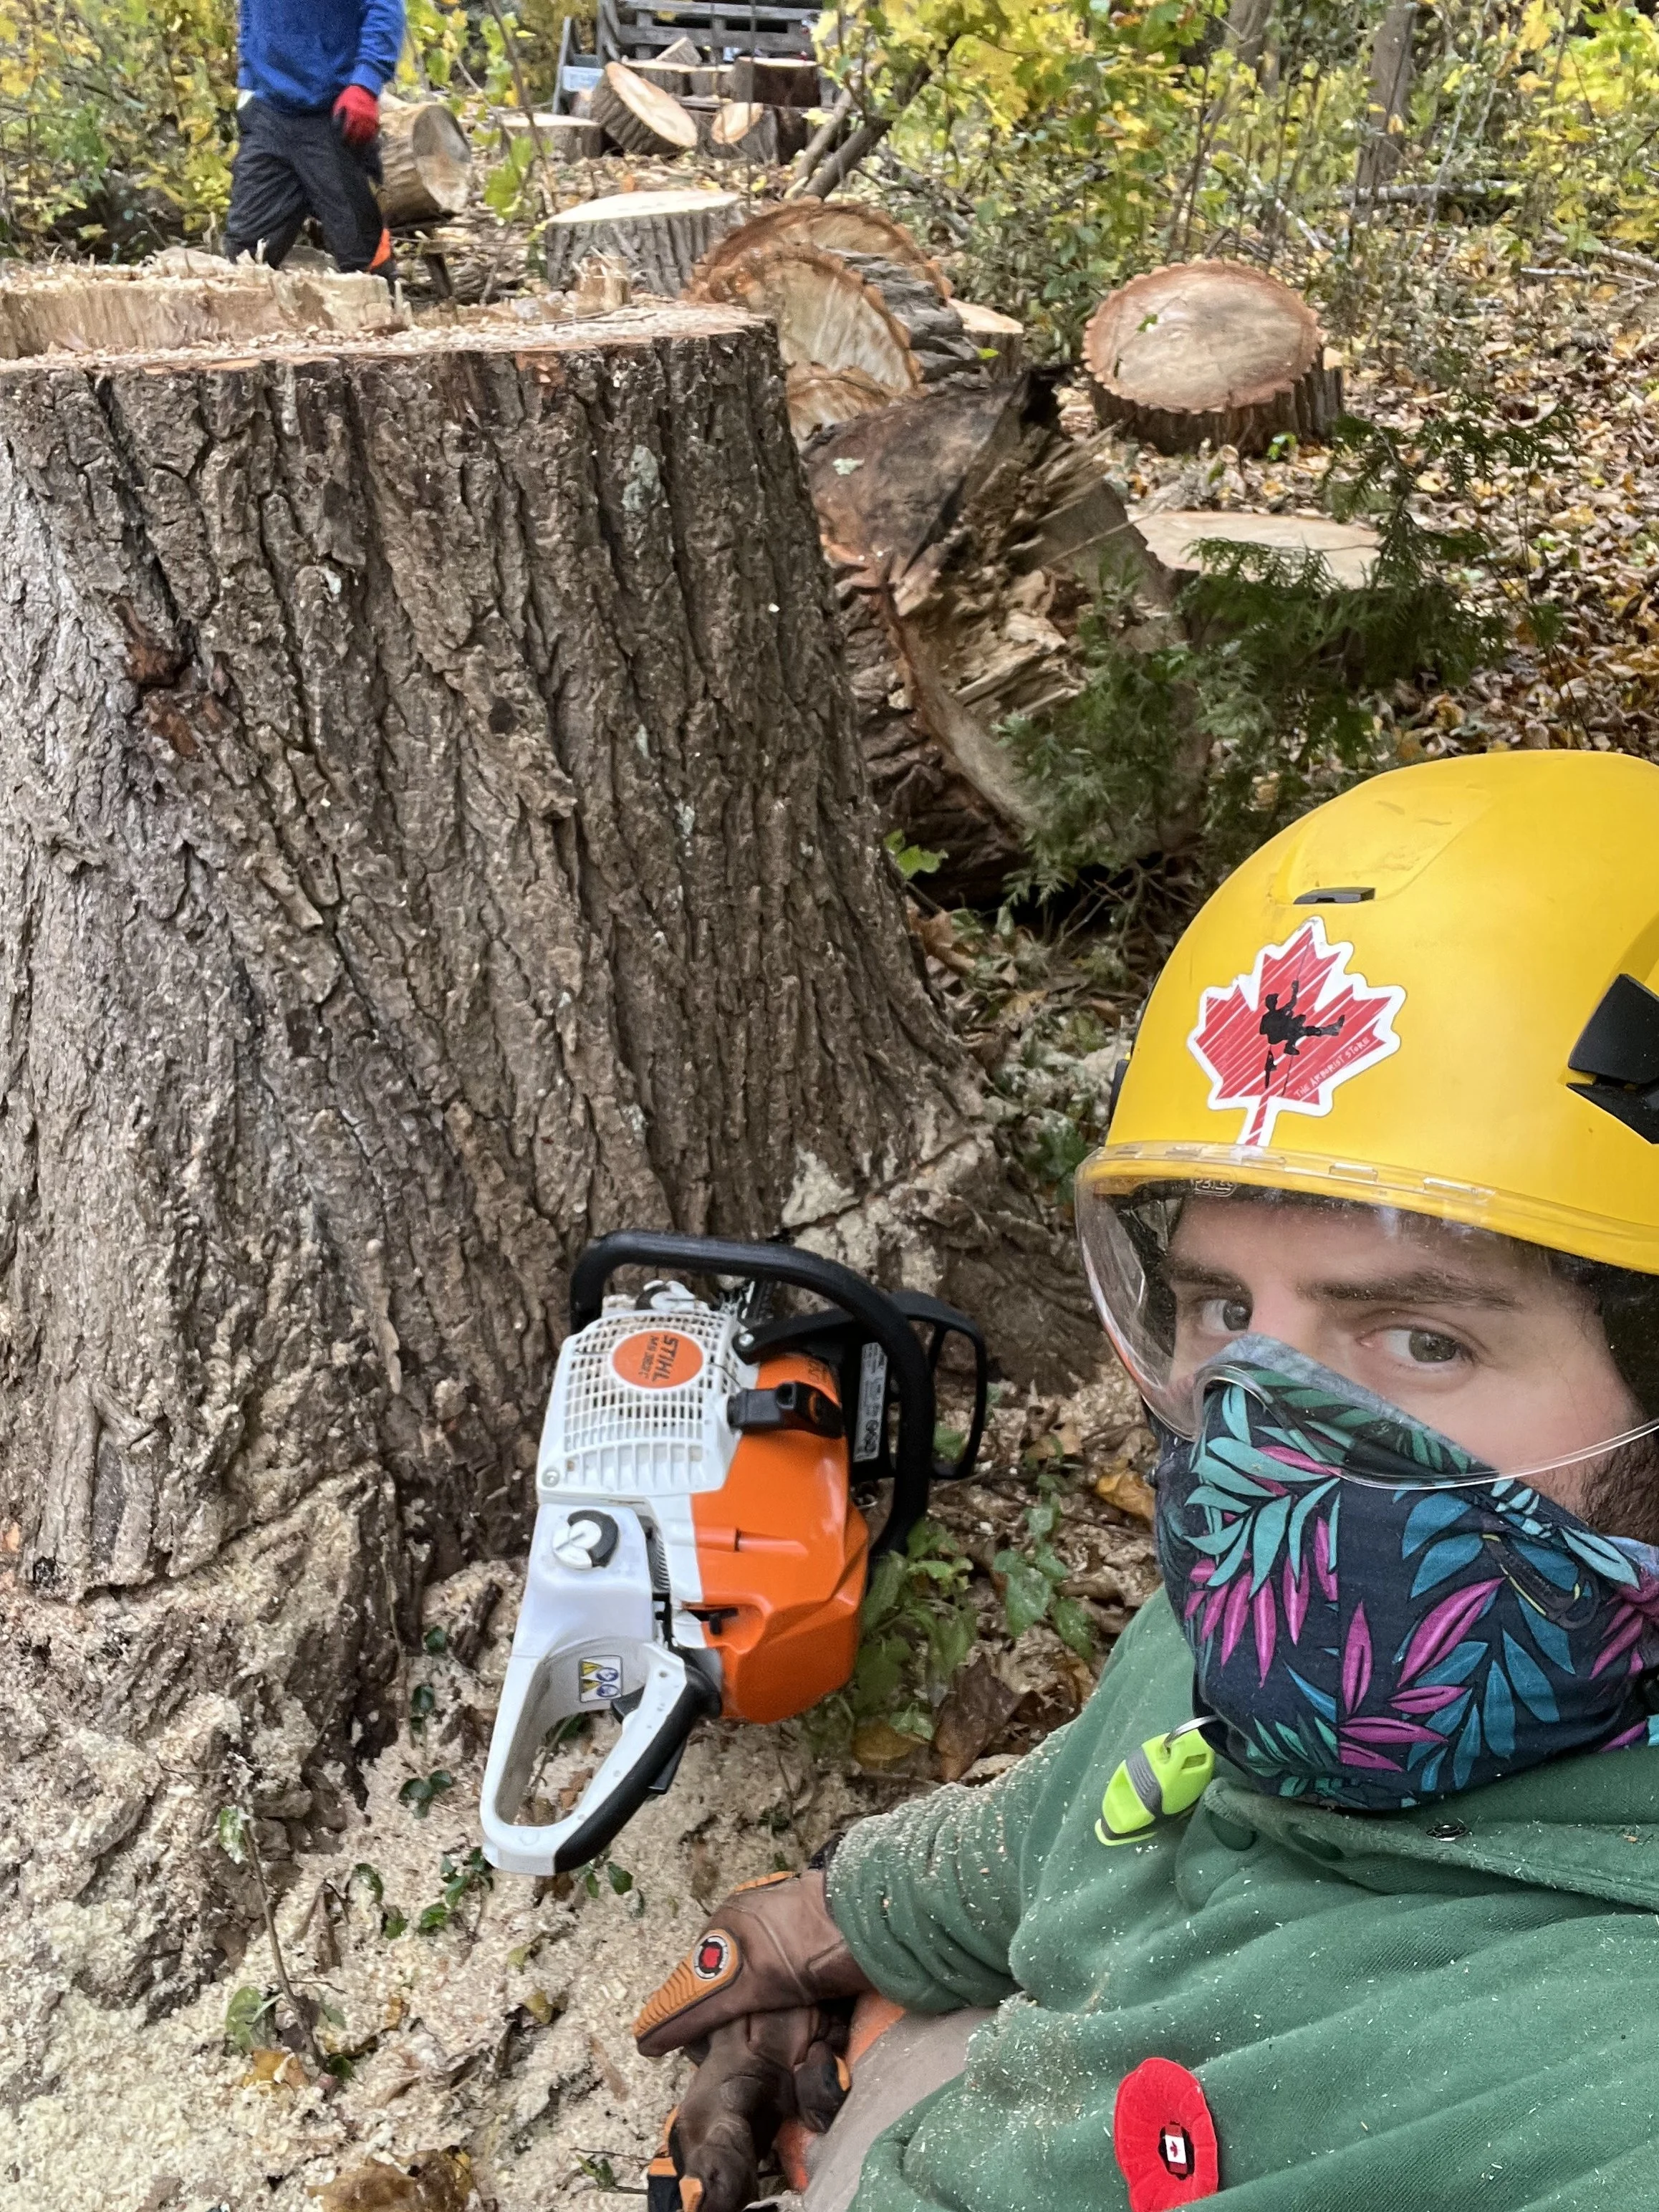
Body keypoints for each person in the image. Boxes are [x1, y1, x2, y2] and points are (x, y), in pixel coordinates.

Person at [633, 747, 1659, 2212]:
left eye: (1422, 1335)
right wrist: (828, 1926)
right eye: (1228, 1314)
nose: (1263, 1443)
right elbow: (1098, 1791)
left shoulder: (1605, 2090)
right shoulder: (1340, 1637)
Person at [224, 0, 405, 276]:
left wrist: (366, 84)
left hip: (331, 112)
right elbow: (251, 9)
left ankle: (387, 314)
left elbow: (384, 7)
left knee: (361, 255)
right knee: (245, 259)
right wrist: (248, 80)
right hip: (268, 111)